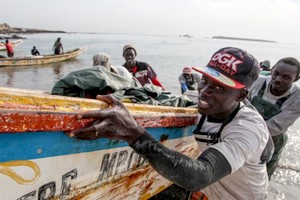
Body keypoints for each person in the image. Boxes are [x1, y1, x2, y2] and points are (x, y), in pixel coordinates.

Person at [68, 47, 271, 200]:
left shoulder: (247, 129)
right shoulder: (203, 104)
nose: (206, 90)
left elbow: (201, 175)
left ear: (242, 95)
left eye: (219, 88)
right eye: (205, 81)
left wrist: (133, 133)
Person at [248, 57, 300, 180]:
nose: (278, 79)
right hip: (247, 131)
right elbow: (241, 103)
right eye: (276, 74)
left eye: (286, 77)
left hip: (272, 139)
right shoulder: (257, 81)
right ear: (271, 70)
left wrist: (245, 126)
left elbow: (275, 127)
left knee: (262, 178)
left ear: (296, 78)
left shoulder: (297, 98)